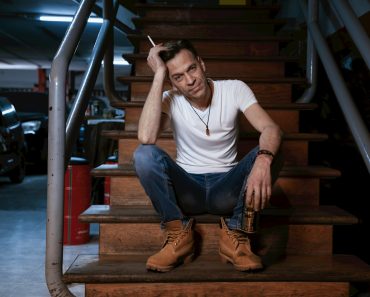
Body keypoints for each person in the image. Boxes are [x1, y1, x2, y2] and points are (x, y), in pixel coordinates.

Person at [133, 39, 283, 272]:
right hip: (187, 190)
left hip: (228, 189)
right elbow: (145, 137)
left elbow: (271, 129)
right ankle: (178, 234)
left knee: (272, 148)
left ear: (201, 64)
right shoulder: (169, 98)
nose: (190, 80)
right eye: (178, 77)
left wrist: (263, 159)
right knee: (144, 155)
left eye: (191, 68)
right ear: (171, 82)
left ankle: (237, 234)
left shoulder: (234, 89)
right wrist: (159, 75)